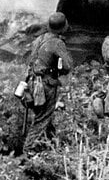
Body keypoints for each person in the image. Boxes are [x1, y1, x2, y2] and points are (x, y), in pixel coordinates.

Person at [23, 12, 73, 156]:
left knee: (44, 115)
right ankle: (28, 151)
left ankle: (51, 143)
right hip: (44, 85)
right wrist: (58, 70)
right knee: (42, 118)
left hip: (32, 82)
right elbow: (68, 66)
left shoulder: (40, 39)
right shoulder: (57, 43)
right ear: (63, 27)